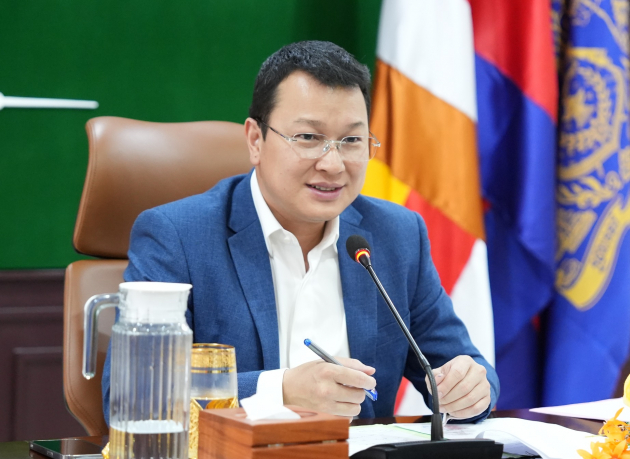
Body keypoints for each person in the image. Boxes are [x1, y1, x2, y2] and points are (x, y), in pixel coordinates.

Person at [102, 40, 499, 423]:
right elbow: (135, 393)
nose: (333, 164)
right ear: (255, 140)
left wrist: (470, 391)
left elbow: (466, 367)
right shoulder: (177, 236)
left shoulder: (396, 235)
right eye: (309, 138)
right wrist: (282, 391)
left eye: (351, 140)